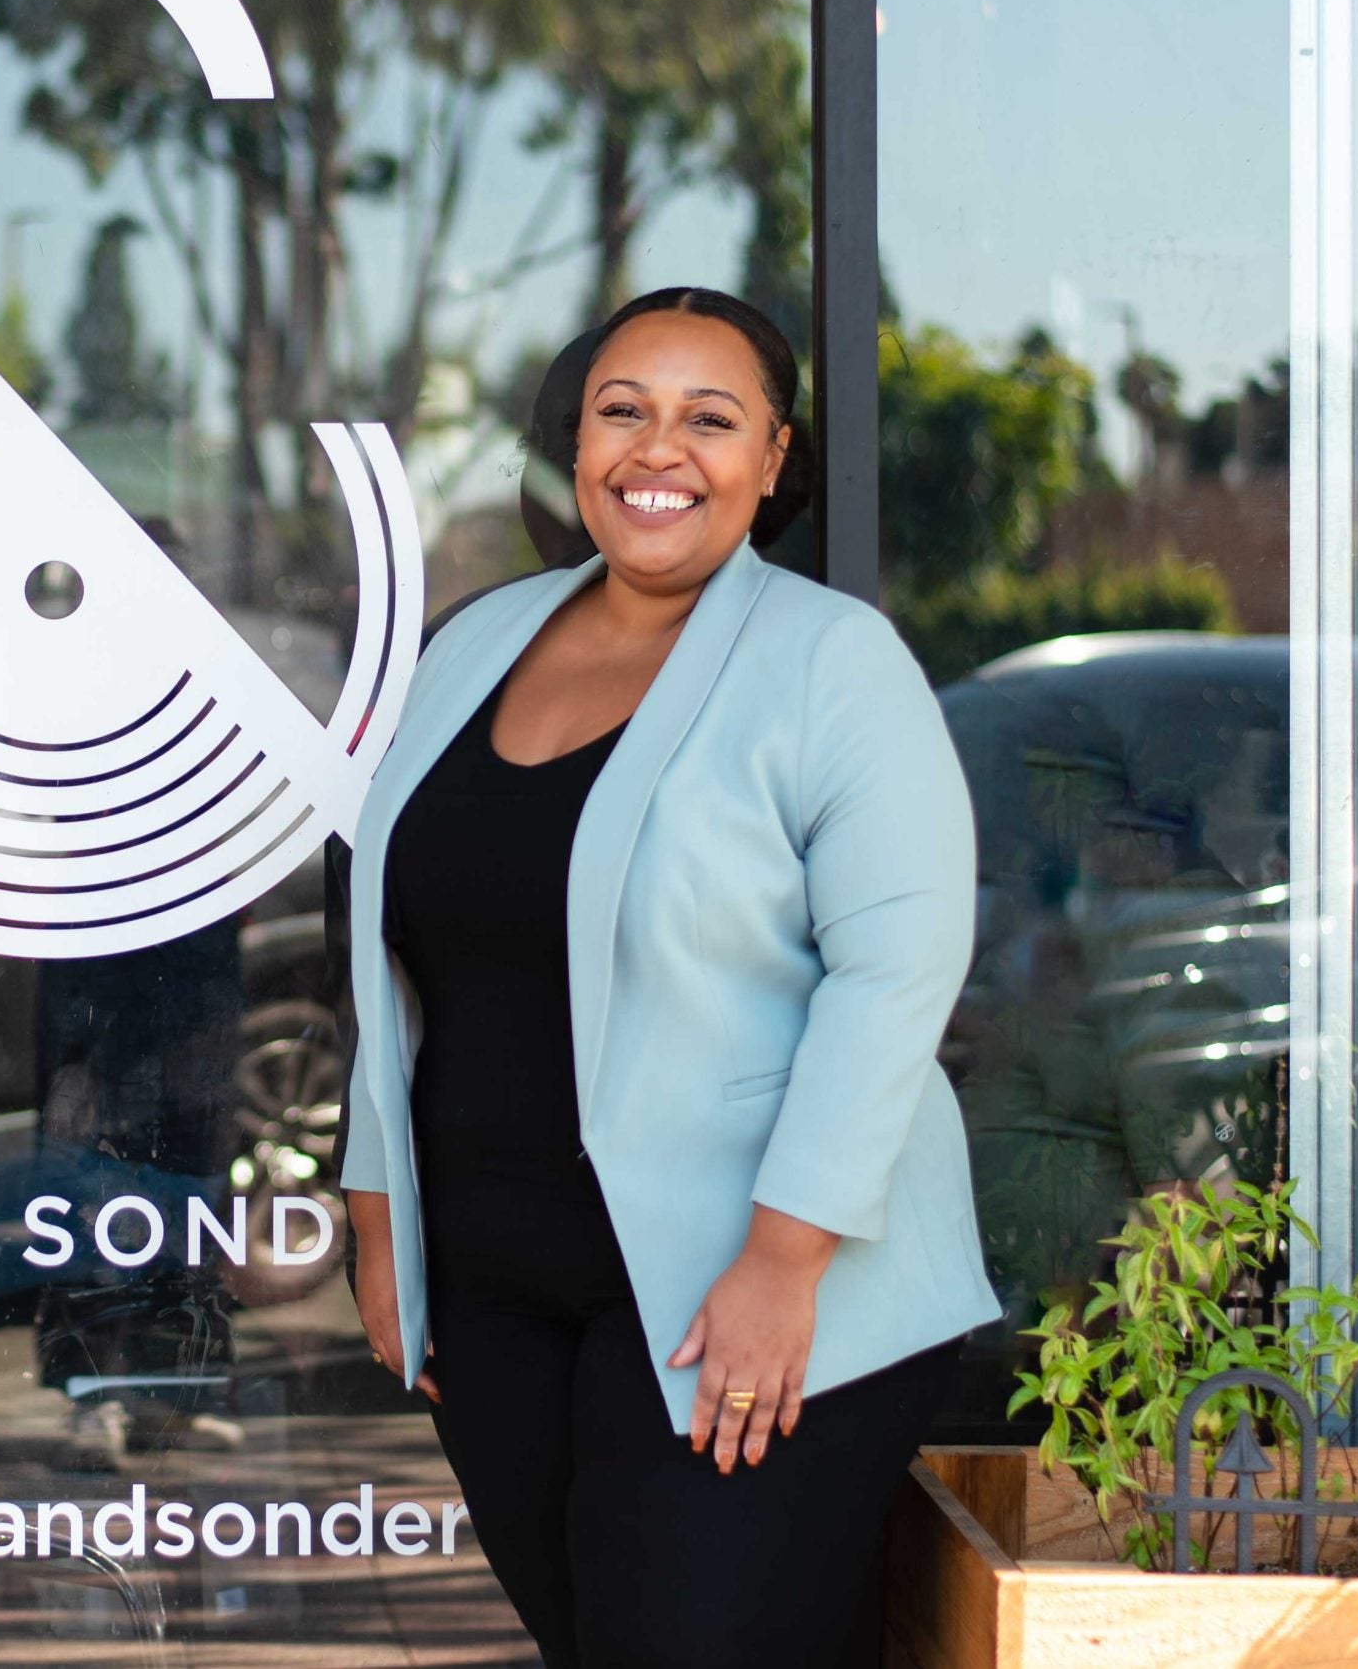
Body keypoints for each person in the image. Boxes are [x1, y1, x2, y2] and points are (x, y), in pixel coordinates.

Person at [341, 287, 1000, 1667]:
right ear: (576, 446)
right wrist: (380, 1211)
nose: (660, 450)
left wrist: (784, 1258)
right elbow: (401, 960)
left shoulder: (831, 660)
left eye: (711, 418)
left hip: (749, 1284)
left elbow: (894, 972)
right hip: (497, 1289)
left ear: (773, 457)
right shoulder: (473, 645)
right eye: (622, 412)